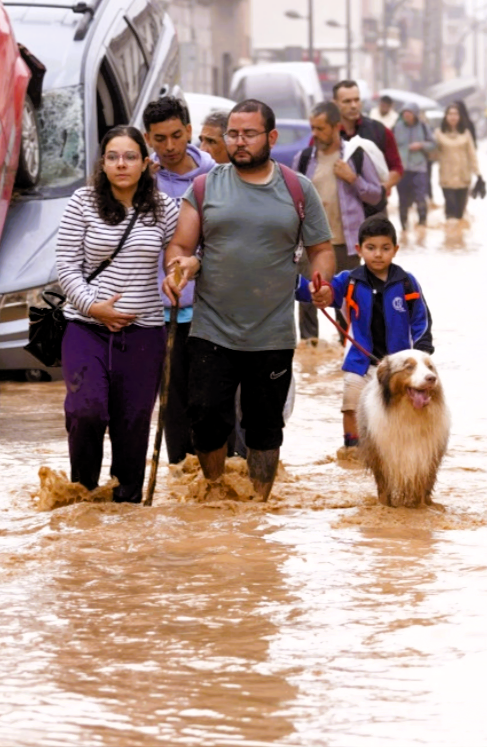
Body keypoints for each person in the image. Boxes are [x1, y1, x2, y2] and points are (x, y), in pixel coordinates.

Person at [163, 100, 335, 501]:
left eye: (249, 134)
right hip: (212, 328)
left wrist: (320, 281)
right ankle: (215, 492)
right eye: (233, 135)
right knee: (205, 419)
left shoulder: (297, 189)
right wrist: (180, 267)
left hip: (272, 332)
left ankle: (259, 506)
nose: (239, 143)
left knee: (264, 427)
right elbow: (181, 246)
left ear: (271, 137)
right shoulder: (205, 187)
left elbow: (321, 248)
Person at [55, 126, 179, 503]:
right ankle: (84, 496)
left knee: (134, 422)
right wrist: (94, 307)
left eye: (129, 157)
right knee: (86, 410)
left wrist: (177, 273)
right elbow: (65, 266)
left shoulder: (165, 208)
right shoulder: (82, 202)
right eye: (112, 156)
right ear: (103, 162)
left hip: (144, 333)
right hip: (85, 326)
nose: (121, 164)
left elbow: (183, 253)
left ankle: (126, 506)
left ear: (145, 163)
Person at [295, 214, 433, 459]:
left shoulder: (407, 283)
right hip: (360, 361)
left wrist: (422, 352)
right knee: (351, 406)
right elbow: (322, 294)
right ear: (359, 249)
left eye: (385, 248)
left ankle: (397, 453)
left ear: (395, 250)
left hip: (398, 368)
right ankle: (353, 452)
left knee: (401, 409)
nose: (378, 254)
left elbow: (421, 320)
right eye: (371, 248)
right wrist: (307, 288)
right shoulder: (348, 281)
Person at [142, 96, 214, 465]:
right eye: (159, 139)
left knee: (211, 402)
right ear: (147, 138)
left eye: (175, 135)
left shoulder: (214, 177)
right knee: (172, 404)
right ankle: (180, 479)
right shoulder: (141, 181)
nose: (169, 147)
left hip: (209, 312)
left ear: (189, 131)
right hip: (159, 314)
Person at [295, 101, 383, 345]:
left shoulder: (355, 156)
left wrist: (352, 178)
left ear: (336, 127)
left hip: (346, 243)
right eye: (312, 127)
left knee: (345, 301)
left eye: (320, 128)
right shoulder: (302, 159)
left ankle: (345, 350)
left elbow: (376, 195)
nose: (314, 133)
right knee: (307, 301)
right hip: (310, 243)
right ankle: (310, 351)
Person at [333, 80, 402, 208]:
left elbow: (396, 168)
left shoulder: (379, 130)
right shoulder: (329, 134)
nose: (353, 105)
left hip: (373, 210)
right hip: (339, 210)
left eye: (356, 100)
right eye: (347, 101)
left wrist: (380, 189)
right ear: (335, 103)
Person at [392, 103, 436, 232]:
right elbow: (389, 146)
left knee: (421, 198)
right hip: (402, 169)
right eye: (405, 112)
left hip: (419, 169)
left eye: (409, 112)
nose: (407, 115)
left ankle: (422, 226)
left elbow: (433, 144)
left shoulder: (423, 127)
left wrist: (421, 145)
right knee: (403, 200)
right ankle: (403, 228)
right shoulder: (397, 127)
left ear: (415, 114)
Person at [434, 103, 479, 227]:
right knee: (450, 212)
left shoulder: (466, 133)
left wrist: (478, 174)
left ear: (460, 116)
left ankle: (458, 243)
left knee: (460, 214)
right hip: (447, 178)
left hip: (463, 178)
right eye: (450, 114)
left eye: (455, 114)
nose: (453, 117)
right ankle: (449, 242)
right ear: (445, 116)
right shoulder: (438, 134)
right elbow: (433, 154)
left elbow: (472, 154)